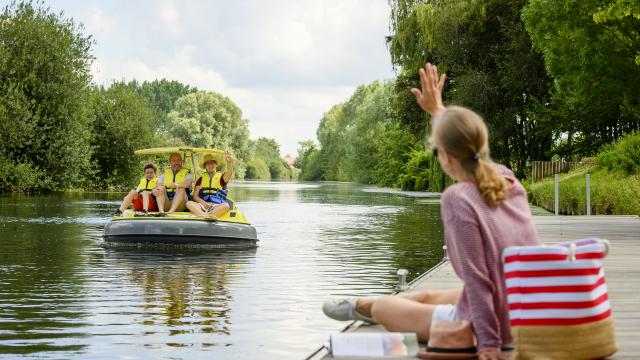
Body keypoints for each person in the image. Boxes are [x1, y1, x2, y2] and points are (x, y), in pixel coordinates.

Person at [321, 63, 540, 360]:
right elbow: (460, 138)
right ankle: (378, 303)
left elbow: (477, 281)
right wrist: (437, 110)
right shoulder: (508, 180)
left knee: (387, 308)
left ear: (446, 156)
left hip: (497, 326)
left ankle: (367, 306)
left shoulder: (458, 198)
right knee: (429, 297)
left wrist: (489, 346)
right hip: (528, 310)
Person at [186, 149, 234, 219]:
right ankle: (206, 216)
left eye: (212, 163)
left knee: (226, 206)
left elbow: (229, 173)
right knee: (189, 203)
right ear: (205, 166)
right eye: (207, 164)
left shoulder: (222, 178)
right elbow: (195, 196)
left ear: (215, 165)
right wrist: (203, 203)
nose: (210, 165)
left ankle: (205, 215)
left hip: (217, 206)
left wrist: (229, 162)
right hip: (202, 205)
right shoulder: (201, 179)